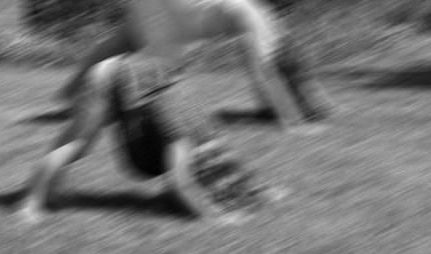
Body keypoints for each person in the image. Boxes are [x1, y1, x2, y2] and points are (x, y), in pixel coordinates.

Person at [56, 0, 331, 128]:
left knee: (124, 42)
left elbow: (267, 66)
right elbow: (264, 71)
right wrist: (291, 121)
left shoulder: (257, 12)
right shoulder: (260, 22)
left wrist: (301, 102)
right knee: (158, 73)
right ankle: (109, 110)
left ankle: (68, 92)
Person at [20, 53, 275, 225]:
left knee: (77, 143)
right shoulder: (180, 134)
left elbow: (218, 169)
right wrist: (210, 216)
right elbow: (180, 182)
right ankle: (30, 202)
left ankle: (49, 192)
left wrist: (257, 191)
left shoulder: (203, 129)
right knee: (77, 144)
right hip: (109, 78)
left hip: (141, 78)